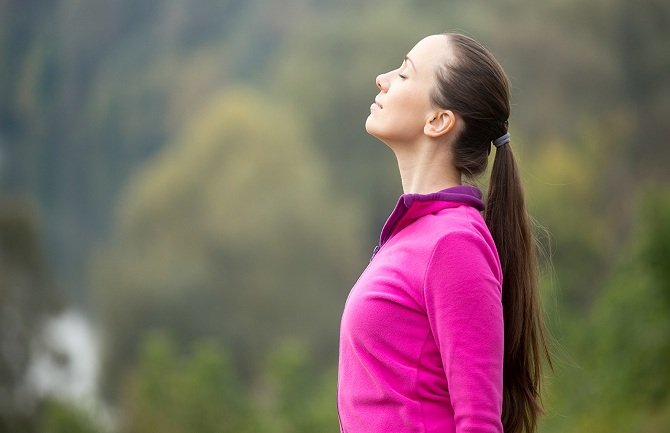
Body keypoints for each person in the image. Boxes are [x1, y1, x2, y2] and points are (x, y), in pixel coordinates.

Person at [337, 33, 551, 433]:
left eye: (403, 74)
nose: (382, 78)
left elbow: (479, 423)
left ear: (438, 121)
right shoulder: (413, 235)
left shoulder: (453, 243)